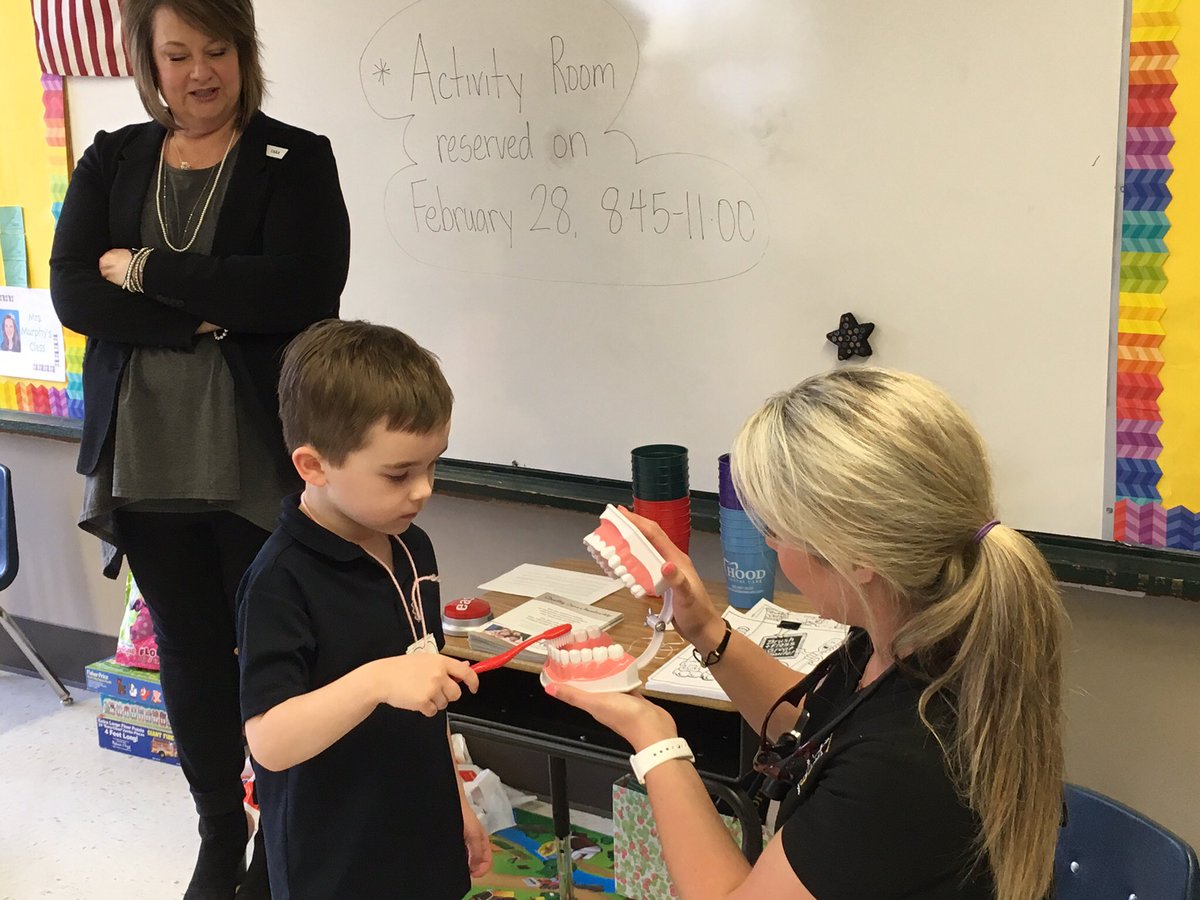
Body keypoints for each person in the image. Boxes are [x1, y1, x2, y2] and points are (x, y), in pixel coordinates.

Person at [549, 367, 1066, 900]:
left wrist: (653, 736)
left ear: (856, 559)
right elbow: (822, 736)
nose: (770, 544)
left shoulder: (908, 762)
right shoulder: (907, 633)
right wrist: (705, 629)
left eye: (773, 529)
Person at [47, 0, 350, 895]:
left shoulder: (296, 157)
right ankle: (221, 831)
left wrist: (143, 270)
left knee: (274, 653)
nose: (199, 72)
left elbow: (302, 291)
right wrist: (213, 312)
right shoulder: (113, 157)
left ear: (243, 51)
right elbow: (73, 295)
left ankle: (277, 839)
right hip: (145, 451)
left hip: (256, 452)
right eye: (176, 53)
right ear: (146, 57)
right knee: (186, 646)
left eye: (216, 49)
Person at [236, 319, 492, 899]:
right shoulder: (280, 580)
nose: (423, 490)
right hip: (333, 860)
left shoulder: (411, 545)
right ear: (314, 466)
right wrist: (376, 680)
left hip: (418, 835)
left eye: (433, 465)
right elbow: (269, 741)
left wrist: (456, 805)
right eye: (399, 474)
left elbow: (428, 700)